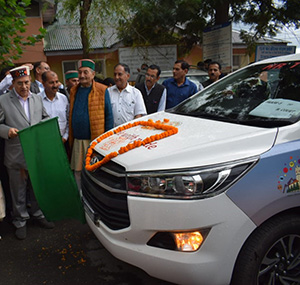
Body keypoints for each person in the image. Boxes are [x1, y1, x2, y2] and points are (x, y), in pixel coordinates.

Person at [0, 65, 54, 240]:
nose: (24, 87)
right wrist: (6, 131)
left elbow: (45, 118)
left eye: (26, 83)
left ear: (30, 81)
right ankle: (20, 220)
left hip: (36, 153)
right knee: (18, 191)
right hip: (16, 154)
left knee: (37, 188)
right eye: (19, 84)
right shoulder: (3, 101)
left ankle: (38, 214)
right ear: (13, 84)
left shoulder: (37, 99)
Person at [69, 59, 114, 189]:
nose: (82, 76)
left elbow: (109, 116)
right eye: (80, 72)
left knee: (94, 171)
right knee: (77, 172)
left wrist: (107, 141)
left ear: (93, 74)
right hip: (78, 140)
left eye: (85, 72)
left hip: (95, 140)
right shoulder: (74, 91)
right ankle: (80, 197)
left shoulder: (102, 90)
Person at [40, 71, 70, 156]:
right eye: (51, 82)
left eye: (57, 82)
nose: (55, 85)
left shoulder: (63, 98)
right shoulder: (37, 100)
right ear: (43, 83)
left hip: (63, 142)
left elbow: (68, 119)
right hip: (45, 144)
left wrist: (65, 137)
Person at [108, 63, 147, 127]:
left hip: (130, 132)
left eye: (120, 74)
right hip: (111, 133)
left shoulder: (136, 93)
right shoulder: (108, 92)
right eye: (115, 74)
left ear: (128, 76)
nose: (117, 77)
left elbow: (139, 115)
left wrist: (130, 129)